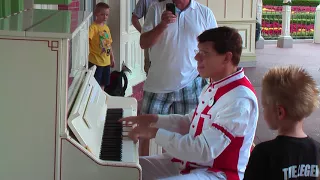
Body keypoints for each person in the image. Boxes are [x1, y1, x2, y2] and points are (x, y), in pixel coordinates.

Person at [121, 26, 259, 180]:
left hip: (218, 173)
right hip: (192, 164)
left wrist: (154, 133)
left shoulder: (240, 99)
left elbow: (204, 150)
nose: (196, 58)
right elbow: (189, 122)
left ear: (227, 58)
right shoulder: (215, 84)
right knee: (127, 171)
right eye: (197, 52)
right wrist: (154, 120)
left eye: (204, 53)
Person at [139, 0, 218, 156]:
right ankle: (142, 171)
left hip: (191, 83)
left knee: (190, 133)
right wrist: (162, 25)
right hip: (158, 85)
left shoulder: (204, 13)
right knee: (144, 132)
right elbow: (144, 43)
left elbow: (215, 48)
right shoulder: (156, 10)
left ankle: (176, 170)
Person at [244, 66, 320, 180]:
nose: (263, 110)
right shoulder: (317, 151)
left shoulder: (263, 154)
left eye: (265, 106)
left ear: (280, 112)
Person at [88, 2, 115, 91]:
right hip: (96, 61)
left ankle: (101, 99)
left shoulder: (106, 28)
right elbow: (87, 41)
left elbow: (109, 44)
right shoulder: (93, 27)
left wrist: (112, 58)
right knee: (95, 83)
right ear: (96, 14)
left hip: (106, 62)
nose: (105, 17)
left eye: (107, 15)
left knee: (104, 83)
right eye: (102, 14)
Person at [132, 0, 163, 74]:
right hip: (150, 41)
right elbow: (134, 18)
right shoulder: (145, 1)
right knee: (150, 68)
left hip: (168, 40)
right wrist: (144, 33)